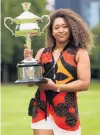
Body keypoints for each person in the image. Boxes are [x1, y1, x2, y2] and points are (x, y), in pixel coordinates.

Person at [24, 8, 94, 135]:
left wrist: (56, 87)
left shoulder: (80, 53)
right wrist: (28, 62)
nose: (61, 30)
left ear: (72, 28)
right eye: (56, 27)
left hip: (67, 114)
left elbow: (84, 84)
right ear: (51, 31)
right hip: (41, 110)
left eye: (65, 26)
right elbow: (30, 82)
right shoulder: (42, 53)